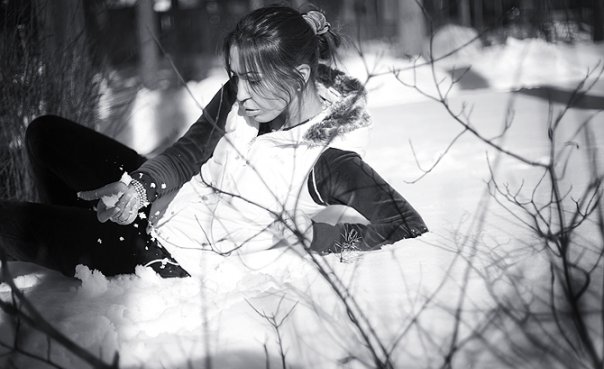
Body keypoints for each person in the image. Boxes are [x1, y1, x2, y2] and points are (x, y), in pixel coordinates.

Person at [0, 6, 427, 279]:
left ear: (299, 78)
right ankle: (79, 241)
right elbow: (190, 151)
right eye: (235, 76)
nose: (240, 94)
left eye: (252, 80)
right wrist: (140, 188)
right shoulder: (246, 95)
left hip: (170, 253)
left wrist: (315, 237)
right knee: (45, 133)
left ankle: (82, 249)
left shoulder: (329, 161)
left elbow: (404, 225)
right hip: (165, 202)